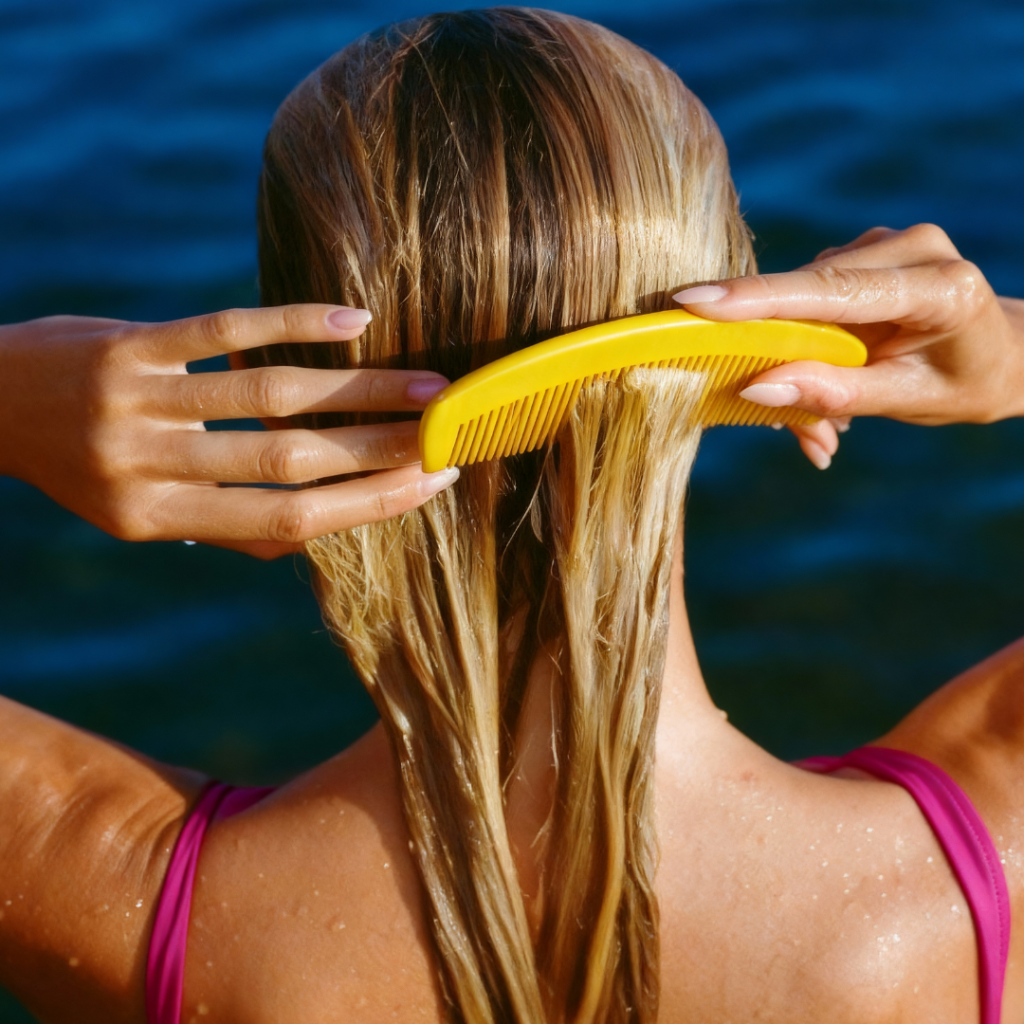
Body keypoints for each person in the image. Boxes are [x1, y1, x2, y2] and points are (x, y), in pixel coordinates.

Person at [1, 10, 1023, 1024]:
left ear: (295, 359)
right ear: (750, 331)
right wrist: (1005, 354)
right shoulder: (964, 882)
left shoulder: (124, 894)